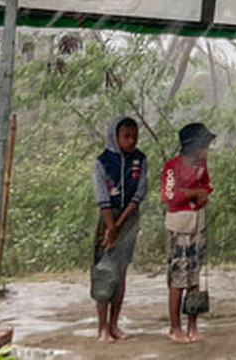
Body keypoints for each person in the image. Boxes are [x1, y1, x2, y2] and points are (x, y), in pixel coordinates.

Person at [91, 115, 147, 343]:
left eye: (134, 136)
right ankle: (101, 327)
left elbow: (139, 193)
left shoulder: (140, 160)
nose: (131, 140)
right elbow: (102, 196)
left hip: (129, 218)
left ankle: (114, 324)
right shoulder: (102, 161)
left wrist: (120, 224)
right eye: (126, 136)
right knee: (104, 271)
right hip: (107, 217)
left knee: (121, 272)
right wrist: (110, 226)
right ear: (115, 136)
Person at [161, 122, 215, 344]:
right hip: (180, 227)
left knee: (194, 277)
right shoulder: (172, 167)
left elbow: (207, 185)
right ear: (193, 146)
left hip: (197, 225)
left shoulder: (201, 164)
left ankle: (193, 324)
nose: (206, 150)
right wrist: (195, 193)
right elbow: (170, 196)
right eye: (204, 145)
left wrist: (203, 193)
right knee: (178, 278)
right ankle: (175, 327)